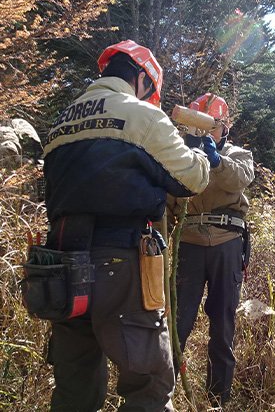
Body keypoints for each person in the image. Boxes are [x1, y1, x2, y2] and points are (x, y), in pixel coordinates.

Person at [41, 40, 210, 411]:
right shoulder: (143, 117)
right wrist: (203, 154)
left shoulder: (61, 122)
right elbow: (191, 180)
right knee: (148, 382)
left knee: (75, 387)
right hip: (120, 263)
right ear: (143, 79)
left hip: (60, 266)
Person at [171, 93, 254, 407]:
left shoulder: (238, 154)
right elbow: (168, 202)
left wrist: (217, 162)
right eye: (202, 125)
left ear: (225, 126)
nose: (208, 131)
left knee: (222, 323)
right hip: (188, 245)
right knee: (179, 322)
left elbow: (240, 179)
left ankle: (218, 397)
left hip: (226, 243)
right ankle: (163, 391)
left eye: (214, 125)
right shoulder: (181, 155)